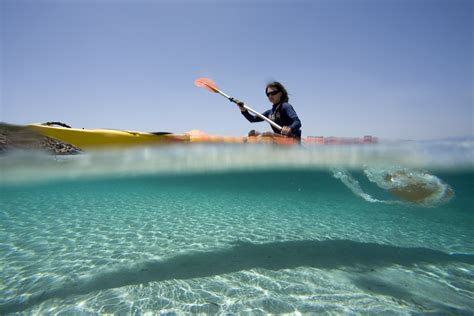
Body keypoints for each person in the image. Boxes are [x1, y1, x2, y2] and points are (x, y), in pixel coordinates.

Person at [234, 81, 302, 139]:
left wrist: (290, 128)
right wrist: (243, 110)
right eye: (268, 94)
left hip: (292, 138)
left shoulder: (285, 106)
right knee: (252, 133)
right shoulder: (269, 113)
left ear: (280, 94)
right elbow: (252, 119)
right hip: (279, 139)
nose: (270, 96)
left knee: (267, 135)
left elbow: (297, 122)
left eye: (273, 93)